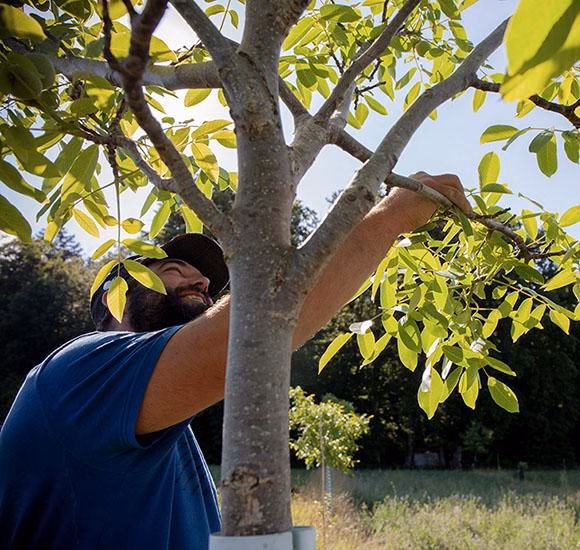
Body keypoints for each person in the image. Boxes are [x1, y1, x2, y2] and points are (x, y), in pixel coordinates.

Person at [0, 173, 471, 549]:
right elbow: (252, 331)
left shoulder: (164, 425)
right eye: (173, 270)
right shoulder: (77, 372)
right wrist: (391, 215)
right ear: (113, 296)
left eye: (207, 284)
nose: (203, 283)